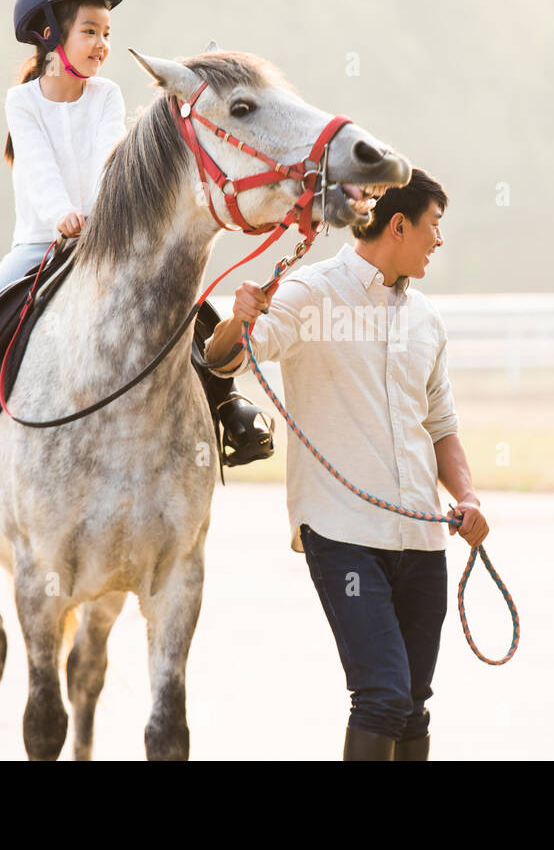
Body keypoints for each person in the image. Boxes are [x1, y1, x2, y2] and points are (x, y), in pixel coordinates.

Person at [0, 0, 273, 470]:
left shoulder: (106, 94)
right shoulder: (22, 102)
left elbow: (113, 159)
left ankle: (225, 404)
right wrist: (61, 213)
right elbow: (38, 166)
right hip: (40, 242)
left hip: (106, 241)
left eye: (107, 34)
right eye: (90, 32)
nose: (102, 44)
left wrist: (102, 217)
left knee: (187, 305)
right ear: (49, 35)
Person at [203, 168, 489, 761]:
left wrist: (469, 498)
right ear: (401, 224)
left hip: (423, 537)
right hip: (342, 535)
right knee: (382, 696)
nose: (439, 240)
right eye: (435, 226)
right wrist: (241, 316)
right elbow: (225, 359)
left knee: (412, 705)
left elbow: (441, 428)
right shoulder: (310, 292)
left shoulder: (427, 319)